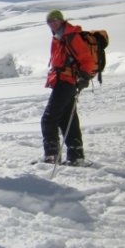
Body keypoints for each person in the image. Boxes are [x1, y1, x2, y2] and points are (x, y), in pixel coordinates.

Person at [41, 9, 94, 165]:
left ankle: (51, 156)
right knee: (67, 119)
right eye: (49, 21)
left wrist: (84, 77)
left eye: (55, 20)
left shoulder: (71, 36)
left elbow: (86, 59)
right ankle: (76, 156)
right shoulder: (59, 37)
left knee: (48, 119)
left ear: (62, 20)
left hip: (66, 81)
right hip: (62, 81)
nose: (52, 23)